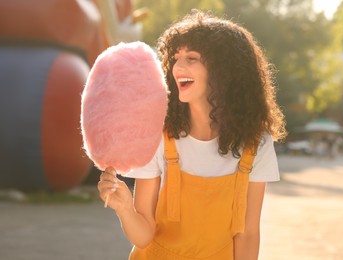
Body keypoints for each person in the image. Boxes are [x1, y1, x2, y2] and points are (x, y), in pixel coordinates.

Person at [98, 9, 286, 260]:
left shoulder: (255, 143)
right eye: (176, 58)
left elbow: (248, 234)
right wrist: (123, 208)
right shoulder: (158, 136)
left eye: (192, 58)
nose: (178, 67)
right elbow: (143, 236)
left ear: (224, 70)